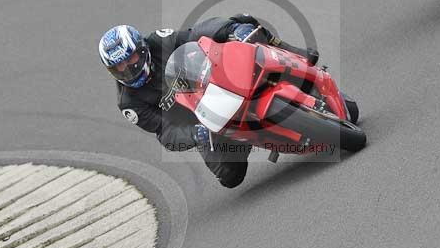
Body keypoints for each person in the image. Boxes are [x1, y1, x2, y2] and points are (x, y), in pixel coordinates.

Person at [98, 15, 317, 188]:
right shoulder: (129, 103)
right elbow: (164, 132)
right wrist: (194, 135)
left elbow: (196, 33)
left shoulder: (158, 41)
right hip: (203, 121)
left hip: (213, 80)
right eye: (120, 66)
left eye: (131, 59)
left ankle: (293, 54)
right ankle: (245, 139)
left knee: (242, 22)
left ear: (142, 48)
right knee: (230, 177)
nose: (128, 68)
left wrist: (230, 30)